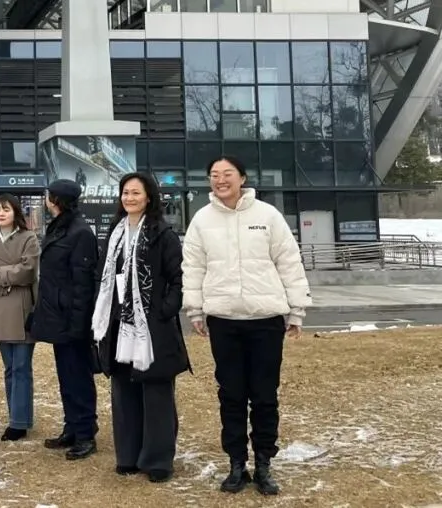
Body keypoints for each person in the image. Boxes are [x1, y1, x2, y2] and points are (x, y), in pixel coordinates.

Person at [183, 155, 311, 496]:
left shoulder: (267, 215)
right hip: (223, 322)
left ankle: (264, 463)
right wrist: (195, 310)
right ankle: (236, 463)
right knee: (231, 395)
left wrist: (296, 309)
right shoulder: (202, 219)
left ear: (242, 178)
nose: (220, 180)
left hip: (265, 321)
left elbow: (289, 261)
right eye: (214, 175)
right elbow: (193, 267)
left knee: (265, 396)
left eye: (227, 174)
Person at [93, 172, 191, 484]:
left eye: (136, 193)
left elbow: (179, 279)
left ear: (149, 197)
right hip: (119, 323)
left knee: (156, 392)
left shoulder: (162, 233)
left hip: (153, 327)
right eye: (125, 192)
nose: (129, 198)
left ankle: (158, 460)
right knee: (124, 391)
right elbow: (103, 275)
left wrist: (164, 310)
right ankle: (128, 455)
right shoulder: (115, 233)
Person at [28, 178, 100, 461]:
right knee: (66, 377)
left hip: (73, 320)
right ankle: (72, 427)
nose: (46, 200)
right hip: (59, 317)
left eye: (49, 196)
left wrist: (79, 324)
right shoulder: (60, 227)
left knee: (78, 377)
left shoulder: (80, 232)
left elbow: (84, 285)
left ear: (56, 200)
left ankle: (85, 434)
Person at [0, 194, 40, 442]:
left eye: (6, 209)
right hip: (0, 305)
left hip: (23, 307)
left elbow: (28, 271)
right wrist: (4, 283)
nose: (1, 214)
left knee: (22, 367)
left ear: (16, 213)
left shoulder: (28, 237)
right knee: (10, 368)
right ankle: (16, 416)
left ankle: (19, 423)